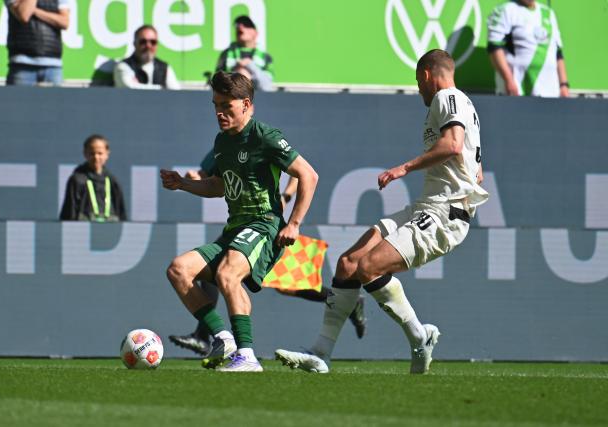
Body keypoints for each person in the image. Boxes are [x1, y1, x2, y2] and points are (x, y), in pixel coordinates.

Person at [275, 49, 489, 375]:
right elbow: (476, 167)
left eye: (418, 82)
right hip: (428, 205)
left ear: (428, 75)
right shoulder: (462, 105)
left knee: (369, 266)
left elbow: (453, 145)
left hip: (445, 212)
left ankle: (419, 337)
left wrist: (403, 168)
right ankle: (321, 352)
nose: (419, 89)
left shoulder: (446, 96)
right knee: (348, 264)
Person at [160, 71, 318, 372]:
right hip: (234, 231)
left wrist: (294, 223)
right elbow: (218, 186)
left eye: (226, 105)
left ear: (246, 104)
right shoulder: (222, 141)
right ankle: (223, 339)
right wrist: (182, 184)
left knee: (227, 274)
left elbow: (308, 175)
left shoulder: (265, 136)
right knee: (178, 270)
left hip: (263, 225)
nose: (219, 112)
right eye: (215, 104)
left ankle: (247, 355)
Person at [169, 150, 366, 356]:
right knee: (216, 271)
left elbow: (301, 173)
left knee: (287, 283)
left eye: (228, 114)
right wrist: (192, 179)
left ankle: (349, 301)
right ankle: (205, 335)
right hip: (242, 226)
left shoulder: (260, 139)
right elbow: (211, 179)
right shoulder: (223, 145)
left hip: (273, 226)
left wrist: (286, 198)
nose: (223, 117)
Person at [487, 0, 569, 97]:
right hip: (518, 91)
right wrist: (508, 80)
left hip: (550, 93)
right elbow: (495, 48)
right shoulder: (504, 10)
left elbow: (558, 52)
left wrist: (563, 84)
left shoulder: (548, 13)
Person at [60, 134, 127, 222]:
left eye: (100, 153)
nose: (96, 157)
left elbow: (121, 214)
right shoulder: (77, 180)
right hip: (83, 232)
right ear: (85, 154)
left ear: (107, 154)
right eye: (92, 153)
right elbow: (69, 213)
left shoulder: (113, 182)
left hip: (109, 232)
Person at [5, 0, 70, 86]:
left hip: (53, 65)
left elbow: (64, 22)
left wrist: (35, 11)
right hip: (22, 64)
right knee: (18, 100)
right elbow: (24, 14)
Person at [215, 16, 273, 91]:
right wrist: (237, 72)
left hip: (257, 100)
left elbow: (267, 86)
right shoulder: (226, 54)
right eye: (238, 25)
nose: (241, 27)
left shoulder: (265, 57)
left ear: (255, 33)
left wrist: (250, 65)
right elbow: (217, 83)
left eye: (246, 25)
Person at [114, 25, 180, 90]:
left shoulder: (164, 68)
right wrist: (161, 88)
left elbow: (175, 93)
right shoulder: (123, 66)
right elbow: (130, 88)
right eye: (143, 42)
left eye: (153, 42)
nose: (148, 46)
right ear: (134, 43)